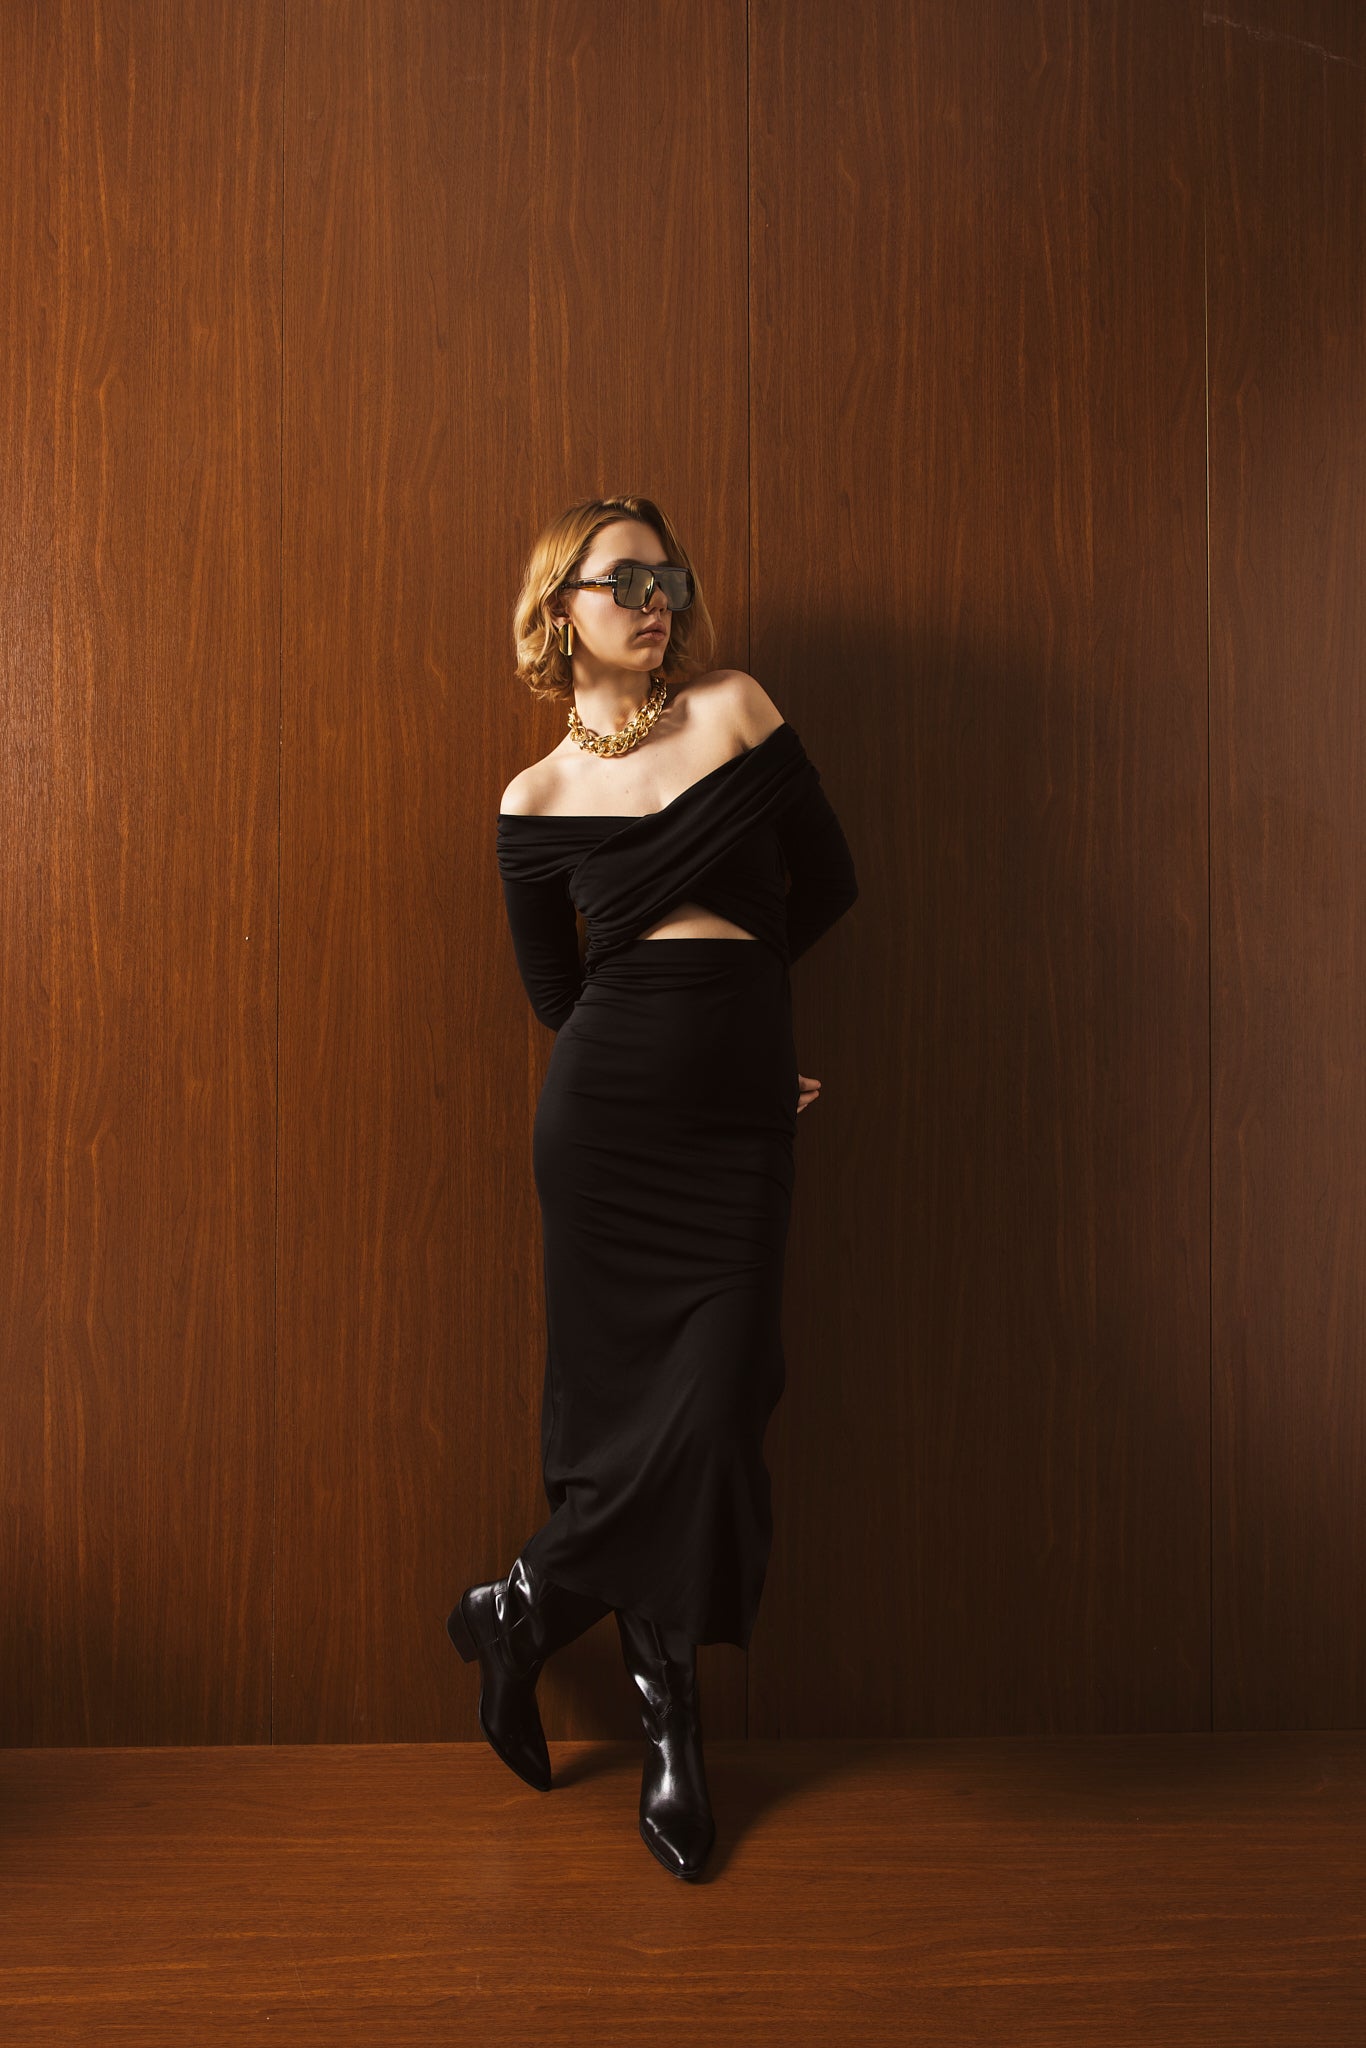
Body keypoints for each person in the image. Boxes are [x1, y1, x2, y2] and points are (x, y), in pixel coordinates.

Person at [447, 494, 858, 1881]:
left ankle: (519, 1608)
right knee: (624, 1423)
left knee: (720, 1402)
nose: (653, 601)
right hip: (606, 1135)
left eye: (665, 578)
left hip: (733, 1126)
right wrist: (674, 1062)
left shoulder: (736, 710)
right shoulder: (534, 800)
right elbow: (559, 995)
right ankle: (670, 1724)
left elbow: (828, 883)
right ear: (557, 608)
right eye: (621, 581)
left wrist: (740, 1052)